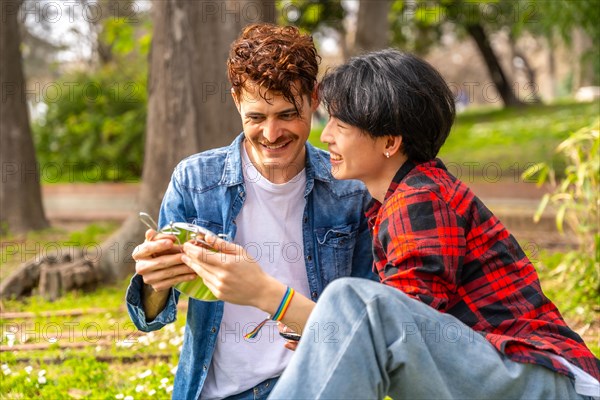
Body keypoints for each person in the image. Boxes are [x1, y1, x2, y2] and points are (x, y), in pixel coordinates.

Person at [183, 50, 600, 399]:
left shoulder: (421, 199)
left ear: (389, 142)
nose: (325, 137)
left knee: (352, 300)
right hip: (505, 375)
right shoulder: (394, 201)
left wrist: (264, 293)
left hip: (543, 382)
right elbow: (395, 338)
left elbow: (389, 330)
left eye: (340, 125)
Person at [126, 24, 374, 400]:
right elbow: (151, 317)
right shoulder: (195, 180)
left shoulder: (351, 189)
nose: (272, 134)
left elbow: (367, 320)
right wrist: (156, 282)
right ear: (236, 101)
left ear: (313, 98)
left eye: (287, 115)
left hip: (315, 384)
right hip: (217, 391)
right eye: (256, 117)